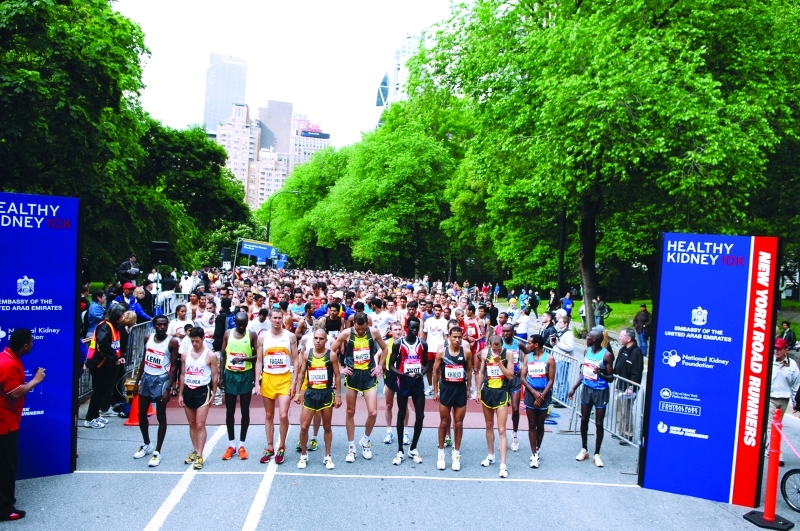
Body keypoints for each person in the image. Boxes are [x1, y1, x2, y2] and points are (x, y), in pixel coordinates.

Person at [329, 313, 388, 463]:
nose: (361, 331)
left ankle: (365, 441)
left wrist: (380, 366)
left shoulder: (373, 332)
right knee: (350, 411)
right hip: (353, 376)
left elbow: (385, 348)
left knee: (373, 413)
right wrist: (341, 368)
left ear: (367, 324)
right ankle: (351, 447)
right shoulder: (346, 333)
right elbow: (331, 352)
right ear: (353, 323)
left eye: (363, 329)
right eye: (358, 328)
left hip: (368, 376)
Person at [0, 329, 46, 521]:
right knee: (7, 466)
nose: (33, 344)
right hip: (5, 424)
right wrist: (35, 381)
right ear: (25, 345)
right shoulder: (9, 364)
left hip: (7, 421)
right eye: (32, 342)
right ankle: (4, 508)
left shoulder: (7, 357)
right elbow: (14, 393)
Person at [132, 316, 179, 466]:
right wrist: (137, 381)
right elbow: (143, 360)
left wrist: (168, 388)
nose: (162, 327)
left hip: (161, 379)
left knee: (160, 415)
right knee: (141, 413)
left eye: (165, 325)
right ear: (154, 326)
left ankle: (157, 451)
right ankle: (147, 444)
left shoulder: (172, 342)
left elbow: (173, 367)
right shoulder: (148, 338)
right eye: (159, 325)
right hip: (147, 377)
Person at [293, 329, 343, 470]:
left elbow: (338, 375)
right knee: (304, 426)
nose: (318, 341)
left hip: (326, 394)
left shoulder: (332, 355)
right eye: (316, 338)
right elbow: (301, 374)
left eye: (321, 338)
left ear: (326, 340)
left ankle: (327, 456)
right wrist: (297, 393)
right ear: (312, 339)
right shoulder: (307, 354)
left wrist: (338, 395)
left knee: (327, 426)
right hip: (310, 393)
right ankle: (303, 454)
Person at [255, 308, 299, 465]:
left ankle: (281, 446)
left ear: (283, 318)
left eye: (280, 318)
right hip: (268, 378)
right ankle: (269, 447)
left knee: (282, 415)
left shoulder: (290, 337)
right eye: (274, 318)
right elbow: (259, 361)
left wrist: (295, 383)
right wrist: (257, 383)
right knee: (268, 415)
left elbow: (296, 360)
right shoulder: (262, 337)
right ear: (270, 318)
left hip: (285, 379)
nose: (277, 320)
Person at [568, 327, 615, 467]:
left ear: (594, 339)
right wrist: (574, 388)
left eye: (588, 336)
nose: (586, 338)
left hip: (600, 391)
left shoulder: (606, 355)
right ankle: (584, 449)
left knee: (599, 423)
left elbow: (611, 378)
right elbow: (583, 373)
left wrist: (599, 374)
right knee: (584, 419)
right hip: (587, 388)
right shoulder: (586, 351)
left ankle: (597, 454)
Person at [84, 306, 135, 428]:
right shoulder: (105, 326)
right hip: (98, 364)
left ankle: (95, 415)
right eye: (122, 315)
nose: (124, 317)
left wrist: (118, 357)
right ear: (117, 315)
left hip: (105, 363)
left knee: (103, 390)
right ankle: (90, 418)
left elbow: (114, 346)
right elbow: (103, 345)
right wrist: (115, 358)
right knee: (98, 391)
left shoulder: (114, 326)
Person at [388, 316, 429, 465]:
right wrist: (403, 374)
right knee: (401, 413)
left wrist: (422, 372)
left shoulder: (423, 344)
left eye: (416, 328)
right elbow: (390, 366)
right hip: (403, 382)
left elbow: (427, 364)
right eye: (412, 328)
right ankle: (400, 450)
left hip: (417, 382)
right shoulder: (398, 344)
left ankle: (413, 448)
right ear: (406, 327)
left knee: (420, 415)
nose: (414, 331)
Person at [219, 312, 258, 461]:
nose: (241, 327)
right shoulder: (228, 334)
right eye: (239, 324)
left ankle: (242, 444)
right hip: (230, 375)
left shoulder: (252, 335)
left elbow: (257, 355)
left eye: (244, 324)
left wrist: (244, 358)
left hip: (245, 375)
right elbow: (223, 355)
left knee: (244, 410)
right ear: (234, 321)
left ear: (248, 322)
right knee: (229, 411)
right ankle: (231, 445)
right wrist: (221, 376)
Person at [179, 328, 220, 470]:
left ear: (203, 338)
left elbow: (215, 376)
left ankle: (201, 454)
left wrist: (214, 393)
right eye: (192, 341)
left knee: (200, 424)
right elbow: (183, 374)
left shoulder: (210, 355)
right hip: (188, 391)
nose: (194, 343)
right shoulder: (185, 355)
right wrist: (180, 393)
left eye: (197, 341)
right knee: (191, 424)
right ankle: (196, 450)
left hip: (203, 391)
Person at [432, 326, 472, 471]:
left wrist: (469, 388)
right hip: (446, 389)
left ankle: (456, 455)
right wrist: (435, 391)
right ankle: (441, 454)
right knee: (444, 422)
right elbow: (435, 371)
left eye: (459, 337)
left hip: (460, 389)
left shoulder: (466, 352)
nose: (456, 340)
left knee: (459, 423)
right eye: (454, 337)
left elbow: (469, 370)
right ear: (449, 337)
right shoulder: (442, 352)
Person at [476, 335, 515, 477]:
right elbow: (481, 372)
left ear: (502, 346)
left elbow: (511, 376)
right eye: (494, 349)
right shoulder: (485, 353)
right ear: (490, 345)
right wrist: (478, 390)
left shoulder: (508, 354)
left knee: (502, 429)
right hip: (487, 391)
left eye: (498, 349)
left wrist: (499, 363)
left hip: (501, 392)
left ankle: (503, 464)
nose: (496, 352)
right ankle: (491, 454)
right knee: (488, 425)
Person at [520, 334, 555, 468]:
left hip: (544, 393)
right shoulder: (528, 357)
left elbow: (551, 380)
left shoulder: (550, 359)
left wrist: (541, 396)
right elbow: (523, 377)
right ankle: (534, 454)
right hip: (531, 392)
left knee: (540, 424)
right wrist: (534, 393)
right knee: (531, 423)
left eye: (529, 343)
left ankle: (538, 447)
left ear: (536, 345)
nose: (527, 345)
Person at [500, 322, 531, 452]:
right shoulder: (499, 343)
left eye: (508, 331)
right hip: (501, 380)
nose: (505, 333)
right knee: (501, 410)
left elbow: (529, 354)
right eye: (504, 331)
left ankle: (515, 435)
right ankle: (502, 436)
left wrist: (524, 368)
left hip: (515, 380)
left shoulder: (518, 344)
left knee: (515, 409)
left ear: (513, 332)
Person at [770, 338, 800, 466]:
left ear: (785, 350)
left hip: (784, 399)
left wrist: (795, 402)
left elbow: (796, 385)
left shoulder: (792, 365)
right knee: (770, 426)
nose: (776, 351)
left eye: (779, 349)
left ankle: (769, 448)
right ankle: (776, 453)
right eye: (775, 348)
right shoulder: (767, 360)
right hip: (770, 398)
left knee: (777, 426)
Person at [613, 328, 644, 444]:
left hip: (628, 388)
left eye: (621, 336)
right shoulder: (622, 349)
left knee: (626, 410)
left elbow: (637, 372)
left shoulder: (636, 353)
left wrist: (631, 387)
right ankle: (620, 431)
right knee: (618, 409)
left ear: (629, 338)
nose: (619, 338)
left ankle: (628, 434)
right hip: (619, 384)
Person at [383, 322, 411, 445]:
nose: (398, 332)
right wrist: (381, 369)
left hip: (403, 376)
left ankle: (405, 432)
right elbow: (379, 357)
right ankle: (389, 432)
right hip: (390, 376)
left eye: (400, 329)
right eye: (395, 329)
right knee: (389, 405)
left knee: (404, 406)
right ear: (391, 331)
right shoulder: (386, 343)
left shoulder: (407, 343)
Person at [422, 303, 448, 395]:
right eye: (436, 310)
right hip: (429, 348)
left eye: (439, 310)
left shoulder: (445, 321)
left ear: (441, 311)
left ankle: (438, 387)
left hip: (439, 349)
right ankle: (430, 387)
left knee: (439, 369)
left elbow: (445, 336)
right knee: (428, 368)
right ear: (433, 310)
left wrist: (445, 348)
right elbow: (425, 334)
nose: (437, 312)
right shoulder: (428, 321)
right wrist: (422, 346)